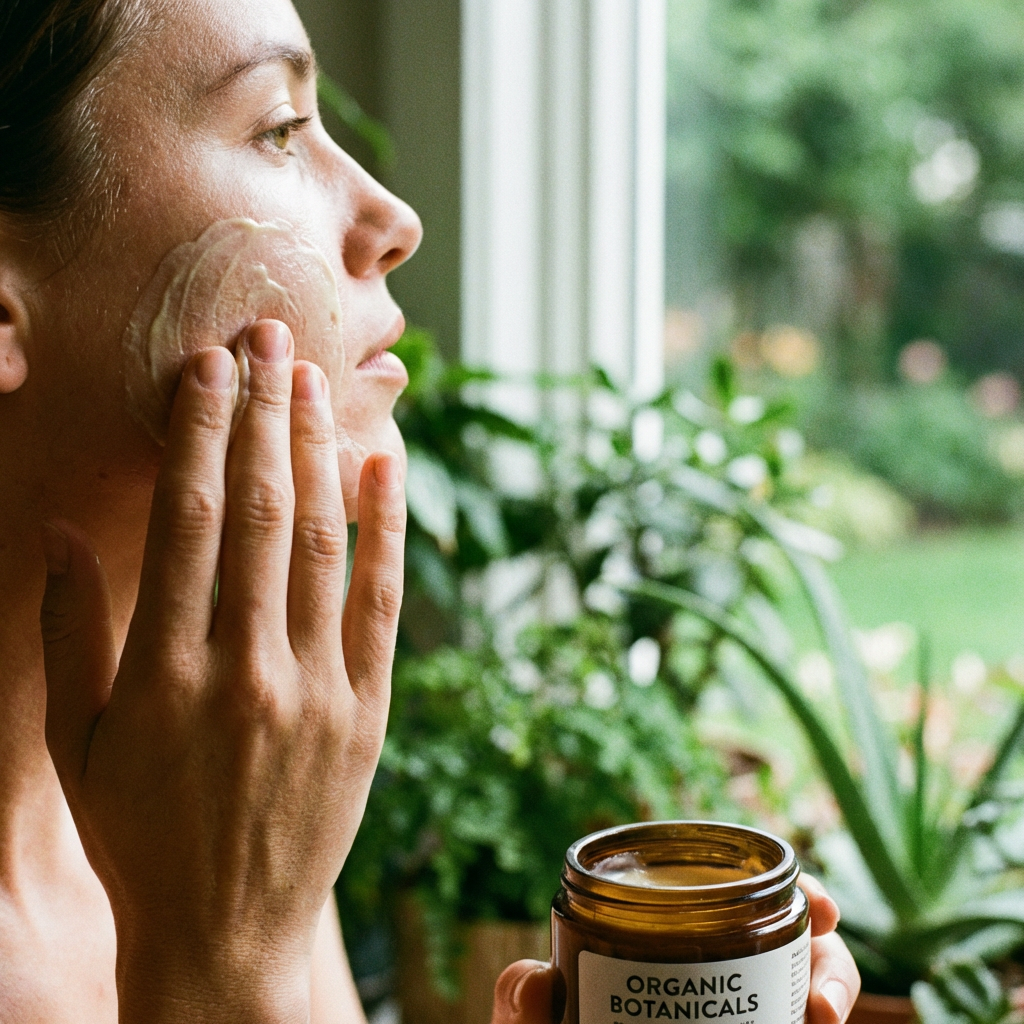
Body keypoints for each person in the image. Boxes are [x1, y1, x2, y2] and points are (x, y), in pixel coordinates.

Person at [0, 0, 862, 1021]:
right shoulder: (209, 862)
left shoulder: (202, 780)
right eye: (278, 127)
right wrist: (215, 957)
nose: (393, 219)